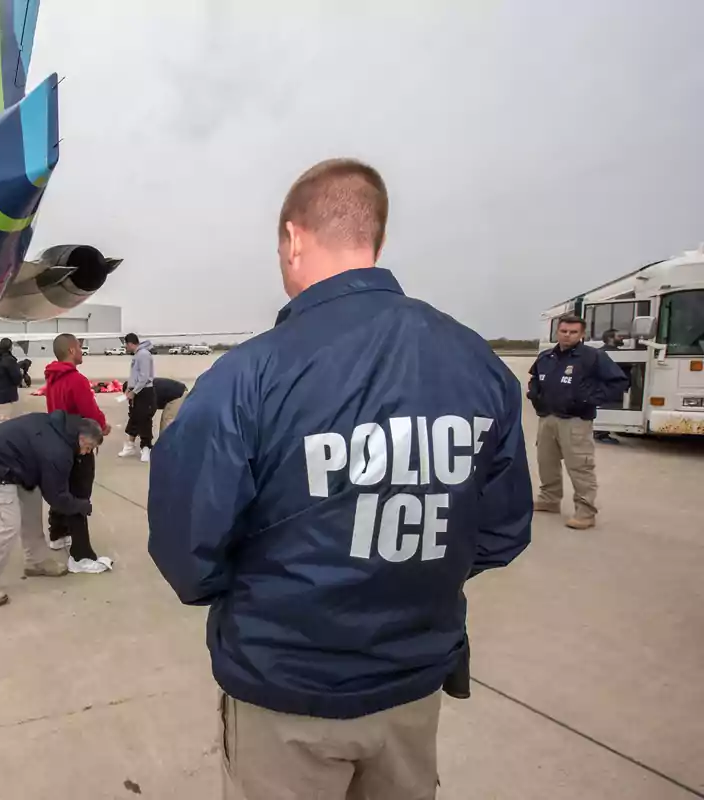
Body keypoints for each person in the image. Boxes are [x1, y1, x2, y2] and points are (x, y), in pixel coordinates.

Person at [147, 158, 533, 800]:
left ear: (294, 239)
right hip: (412, 682)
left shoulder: (248, 376)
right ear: (375, 240)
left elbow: (188, 550)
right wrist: (407, 572)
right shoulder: (479, 365)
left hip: (287, 691)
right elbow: (501, 531)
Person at [0, 412, 103, 607]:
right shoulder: (58, 451)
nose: (86, 453)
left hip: (17, 466)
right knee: (6, 526)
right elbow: (57, 498)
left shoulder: (63, 427)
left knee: (31, 508)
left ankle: (36, 561)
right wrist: (81, 506)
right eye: (88, 448)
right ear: (81, 438)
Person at [528, 315, 629, 528]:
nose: (567, 335)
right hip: (547, 418)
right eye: (564, 331)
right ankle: (549, 499)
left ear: (582, 335)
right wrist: (535, 395)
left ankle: (585, 512)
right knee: (546, 462)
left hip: (575, 421)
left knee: (580, 466)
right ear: (558, 332)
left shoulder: (593, 357)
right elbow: (535, 378)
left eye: (573, 332)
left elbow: (618, 382)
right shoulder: (546, 357)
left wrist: (588, 399)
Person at [44, 333, 114, 574]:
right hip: (79, 444)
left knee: (62, 489)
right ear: (72, 350)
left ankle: (58, 533)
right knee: (80, 496)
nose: (82, 352)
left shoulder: (52, 378)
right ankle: (81, 556)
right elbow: (90, 411)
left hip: (60, 441)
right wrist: (103, 426)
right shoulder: (76, 379)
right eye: (80, 348)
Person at [119, 333, 156, 462]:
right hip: (136, 391)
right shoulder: (137, 355)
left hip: (144, 392)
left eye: (125, 344)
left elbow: (144, 377)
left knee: (144, 419)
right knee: (134, 417)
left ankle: (146, 448)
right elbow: (135, 375)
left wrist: (134, 391)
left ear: (130, 343)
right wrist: (130, 389)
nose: (125, 347)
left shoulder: (143, 354)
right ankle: (130, 445)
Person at [0, 338, 30, 426]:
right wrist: (20, 374)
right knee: (3, 421)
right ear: (10, 347)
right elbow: (16, 378)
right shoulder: (9, 360)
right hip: (5, 395)